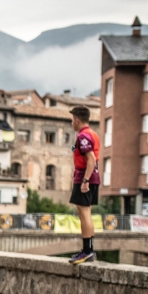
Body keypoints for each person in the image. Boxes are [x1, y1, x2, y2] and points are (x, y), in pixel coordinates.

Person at [68, 106, 100, 264]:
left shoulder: (83, 136)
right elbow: (78, 150)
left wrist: (85, 181)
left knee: (84, 214)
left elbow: (91, 159)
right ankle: (89, 250)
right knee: (86, 213)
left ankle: (87, 251)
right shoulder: (91, 134)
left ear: (77, 120)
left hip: (84, 176)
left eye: (72, 119)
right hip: (93, 176)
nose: (71, 122)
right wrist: (73, 147)